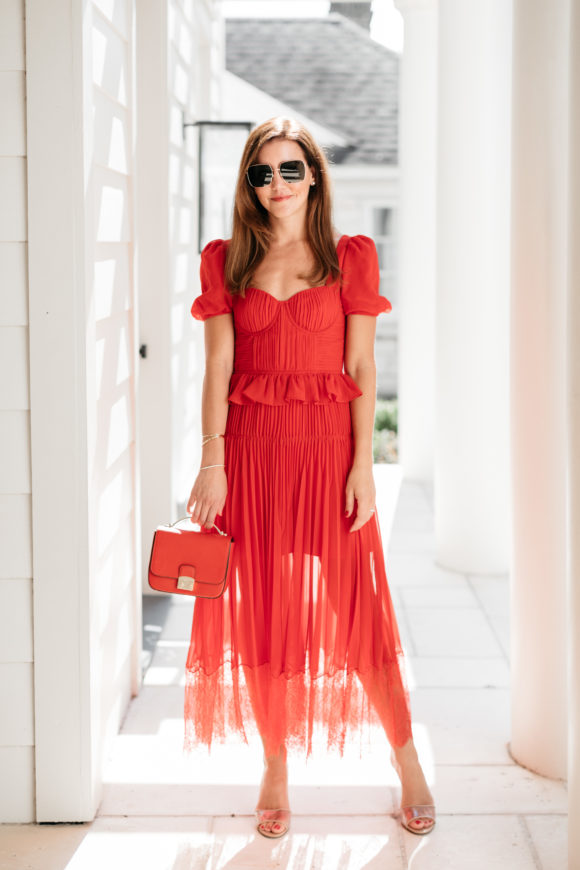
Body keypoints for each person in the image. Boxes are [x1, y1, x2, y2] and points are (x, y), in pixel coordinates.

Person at [186, 116, 436, 839]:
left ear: (315, 176)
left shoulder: (349, 257)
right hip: (254, 457)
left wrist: (363, 466)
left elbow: (362, 368)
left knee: (360, 619)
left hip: (328, 457)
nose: (275, 185)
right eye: (261, 173)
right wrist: (212, 460)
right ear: (248, 184)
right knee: (264, 618)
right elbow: (218, 369)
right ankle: (274, 768)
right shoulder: (226, 261)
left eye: (289, 169)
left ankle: (408, 762)